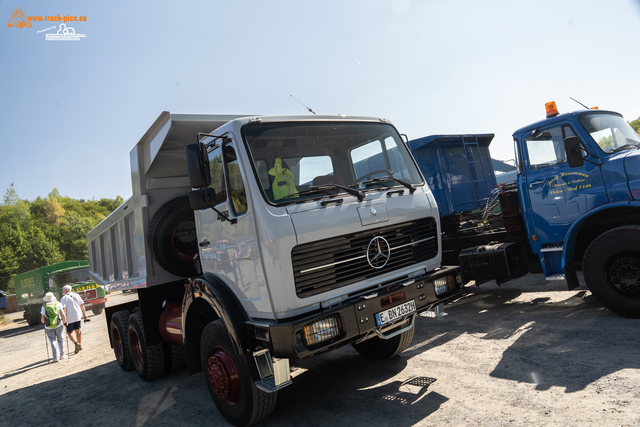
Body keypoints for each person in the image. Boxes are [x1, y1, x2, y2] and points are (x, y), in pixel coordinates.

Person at [60, 284, 88, 354]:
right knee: (77, 330)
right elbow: (82, 305)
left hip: (69, 317)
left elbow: (64, 309)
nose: (62, 291)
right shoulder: (77, 295)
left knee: (69, 332)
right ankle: (80, 344)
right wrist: (84, 314)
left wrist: (64, 320)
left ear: (66, 290)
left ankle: (76, 344)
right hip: (77, 316)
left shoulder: (64, 298)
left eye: (63, 290)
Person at [41, 292, 68, 362]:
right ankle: (62, 354)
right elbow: (63, 314)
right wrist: (65, 321)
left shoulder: (44, 307)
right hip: (58, 324)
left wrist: (44, 323)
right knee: (61, 339)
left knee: (53, 341)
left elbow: (42, 319)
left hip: (48, 326)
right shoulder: (58, 304)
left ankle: (56, 357)